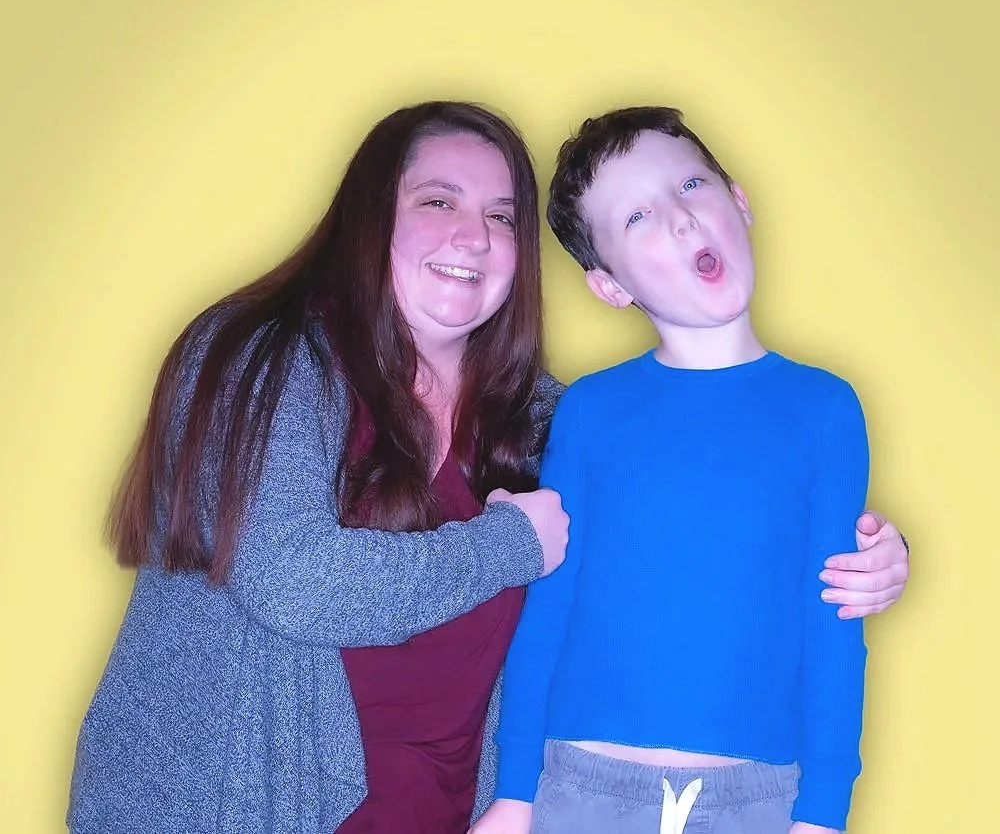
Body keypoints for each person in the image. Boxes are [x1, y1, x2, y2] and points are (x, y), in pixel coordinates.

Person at [68, 101, 908, 834]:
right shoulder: (263, 355)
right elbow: (297, 578)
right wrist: (508, 542)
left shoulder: (542, 415)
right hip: (244, 806)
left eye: (503, 217)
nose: (474, 235)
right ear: (371, 219)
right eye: (439, 201)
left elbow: (675, 548)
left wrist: (866, 558)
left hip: (450, 814)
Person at [474, 106, 899, 834]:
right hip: (581, 784)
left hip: (759, 798)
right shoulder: (592, 410)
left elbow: (834, 621)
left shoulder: (826, 408)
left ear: (738, 200)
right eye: (637, 216)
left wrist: (823, 815)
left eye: (691, 184)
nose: (679, 219)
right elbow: (550, 603)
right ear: (609, 285)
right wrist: (516, 793)